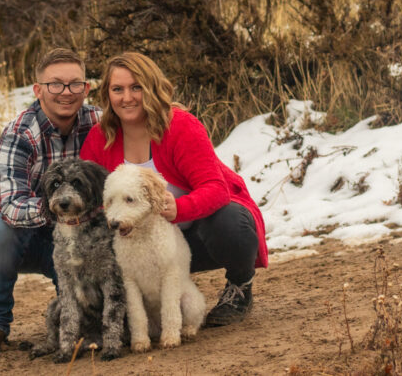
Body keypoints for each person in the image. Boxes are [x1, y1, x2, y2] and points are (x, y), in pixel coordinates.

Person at [79, 51, 268, 327]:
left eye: (136, 87)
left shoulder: (180, 126)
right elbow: (90, 198)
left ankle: (240, 285)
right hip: (141, 247)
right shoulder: (99, 138)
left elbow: (215, 189)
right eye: (117, 89)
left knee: (230, 222)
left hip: (198, 238)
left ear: (152, 87)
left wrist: (179, 208)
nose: (127, 97)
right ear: (107, 95)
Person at [0, 48, 101, 357]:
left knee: (80, 325)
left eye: (74, 84)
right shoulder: (20, 134)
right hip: (30, 234)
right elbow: (12, 204)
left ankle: (82, 314)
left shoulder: (100, 122)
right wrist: (60, 208)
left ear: (87, 88)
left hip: (80, 235)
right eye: (55, 84)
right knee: (0, 225)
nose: (66, 93)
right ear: (38, 89)